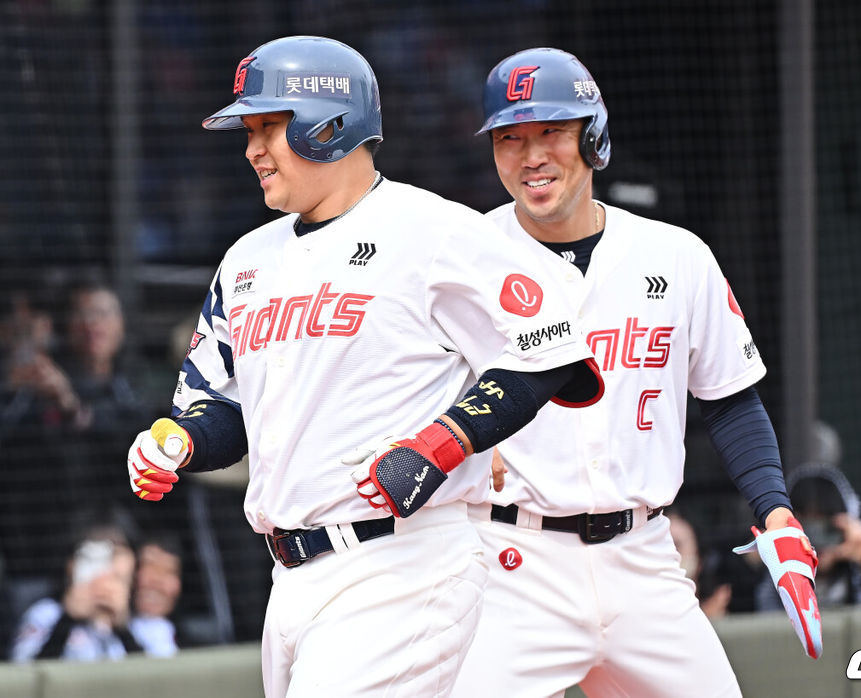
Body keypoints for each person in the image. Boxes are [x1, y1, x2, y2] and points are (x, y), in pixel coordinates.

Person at [124, 36, 602, 698]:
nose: (252, 148)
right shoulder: (246, 260)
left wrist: (438, 445)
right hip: (291, 575)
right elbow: (226, 409)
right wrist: (175, 443)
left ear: (331, 125)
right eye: (250, 130)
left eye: (270, 126)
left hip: (404, 562)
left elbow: (548, 353)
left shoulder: (432, 230)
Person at [450, 48, 821, 698]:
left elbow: (730, 399)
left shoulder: (675, 256)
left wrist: (777, 512)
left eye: (551, 133)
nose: (531, 155)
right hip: (511, 568)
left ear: (593, 138)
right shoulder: (460, 263)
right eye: (510, 138)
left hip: (643, 560)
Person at [755, 463, 861, 611]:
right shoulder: (765, 583)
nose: (814, 545)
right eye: (807, 529)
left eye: (827, 529)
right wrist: (758, 562)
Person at [10, 523, 140, 662]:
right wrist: (67, 620)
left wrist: (123, 629)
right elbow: (26, 677)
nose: (104, 567)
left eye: (115, 553)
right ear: (70, 564)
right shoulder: (44, 615)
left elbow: (155, 678)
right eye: (90, 556)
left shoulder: (145, 624)